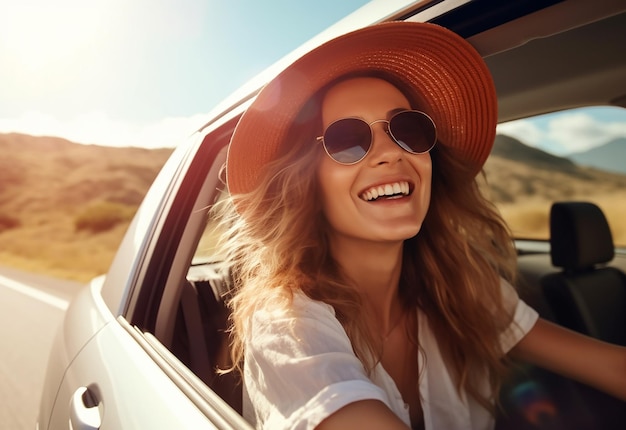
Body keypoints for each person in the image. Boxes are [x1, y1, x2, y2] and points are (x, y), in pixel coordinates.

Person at [212, 21, 626, 430]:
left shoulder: (462, 285)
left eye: (407, 129)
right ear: (306, 182)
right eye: (347, 140)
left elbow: (611, 366)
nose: (391, 153)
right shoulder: (287, 326)